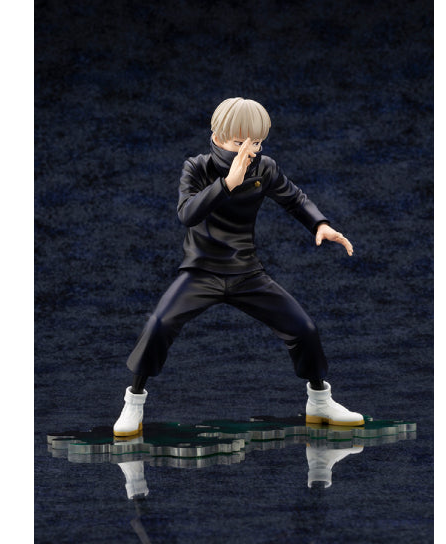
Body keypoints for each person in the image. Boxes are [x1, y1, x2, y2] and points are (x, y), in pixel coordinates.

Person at [113, 97, 364, 437]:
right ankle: (134, 401)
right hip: (202, 271)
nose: (250, 150)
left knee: (304, 328)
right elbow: (187, 213)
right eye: (239, 142)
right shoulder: (197, 168)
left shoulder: (265, 168)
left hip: (246, 271)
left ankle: (320, 401)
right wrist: (227, 184)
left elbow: (294, 199)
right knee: (158, 325)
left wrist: (320, 224)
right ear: (217, 137)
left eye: (257, 142)